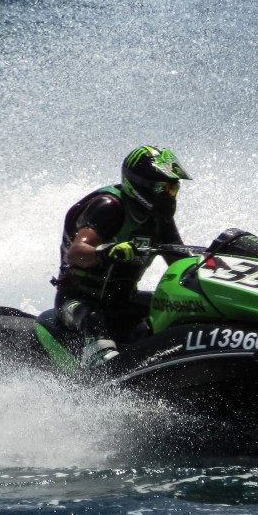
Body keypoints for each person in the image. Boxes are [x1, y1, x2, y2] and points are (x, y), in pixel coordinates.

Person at [53, 145, 192, 368]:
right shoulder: (109, 207)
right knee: (92, 318)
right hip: (76, 301)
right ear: (139, 185)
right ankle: (102, 369)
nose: (168, 196)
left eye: (173, 189)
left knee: (176, 306)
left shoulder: (159, 219)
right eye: (162, 188)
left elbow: (182, 261)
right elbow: (76, 253)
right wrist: (108, 252)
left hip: (122, 302)